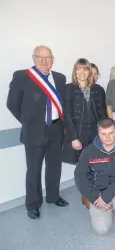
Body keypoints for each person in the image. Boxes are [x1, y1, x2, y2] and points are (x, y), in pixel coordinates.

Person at [6, 45, 68, 219]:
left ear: (52, 60)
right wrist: (28, 122)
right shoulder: (22, 76)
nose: (43, 61)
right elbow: (12, 104)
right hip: (34, 132)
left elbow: (63, 104)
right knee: (33, 169)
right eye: (40, 57)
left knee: (54, 166)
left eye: (47, 57)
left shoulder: (60, 78)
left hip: (56, 129)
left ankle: (53, 196)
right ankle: (32, 204)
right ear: (33, 58)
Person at [74, 118, 115, 235]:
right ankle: (103, 206)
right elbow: (80, 177)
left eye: (111, 133)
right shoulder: (88, 152)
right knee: (102, 229)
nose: (107, 137)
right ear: (98, 133)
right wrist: (95, 197)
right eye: (103, 134)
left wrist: (107, 196)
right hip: (97, 192)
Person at [63, 58, 107, 208]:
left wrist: (106, 133)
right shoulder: (69, 89)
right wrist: (74, 138)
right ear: (75, 72)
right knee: (83, 166)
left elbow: (102, 114)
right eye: (78, 69)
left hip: (95, 132)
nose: (82, 73)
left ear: (90, 72)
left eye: (85, 69)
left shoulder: (98, 89)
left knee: (97, 163)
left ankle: (97, 191)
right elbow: (67, 115)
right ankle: (86, 194)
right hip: (79, 133)